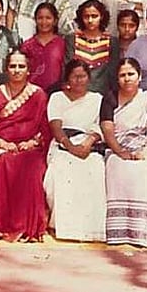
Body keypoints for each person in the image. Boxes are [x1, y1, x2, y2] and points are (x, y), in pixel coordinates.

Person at [100, 58, 147, 247]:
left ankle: (145, 232)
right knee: (117, 168)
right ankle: (120, 231)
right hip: (118, 147)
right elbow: (107, 130)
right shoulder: (110, 98)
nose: (127, 79)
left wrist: (146, 151)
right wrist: (119, 151)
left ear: (140, 77)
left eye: (131, 74)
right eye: (122, 75)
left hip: (146, 146)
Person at [0, 50, 51, 241]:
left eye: (21, 66)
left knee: (31, 170)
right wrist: (1, 143)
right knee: (2, 164)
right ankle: (1, 226)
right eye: (13, 66)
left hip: (31, 148)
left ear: (29, 70)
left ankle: (27, 227)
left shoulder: (38, 95)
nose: (17, 70)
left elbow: (44, 128)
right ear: (6, 69)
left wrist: (31, 142)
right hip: (3, 146)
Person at [43, 60, 107, 242]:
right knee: (61, 170)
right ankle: (62, 226)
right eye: (74, 76)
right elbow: (56, 126)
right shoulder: (57, 97)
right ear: (68, 78)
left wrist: (88, 143)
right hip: (63, 144)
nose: (79, 80)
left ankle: (92, 230)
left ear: (89, 78)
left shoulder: (97, 99)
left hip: (88, 145)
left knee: (95, 169)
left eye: (83, 76)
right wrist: (70, 147)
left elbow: (100, 125)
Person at [64, 0, 118, 94]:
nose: (90, 20)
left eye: (94, 16)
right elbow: (68, 68)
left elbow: (113, 73)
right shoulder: (72, 39)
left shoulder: (112, 41)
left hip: (103, 95)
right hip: (76, 93)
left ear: (101, 16)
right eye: (86, 16)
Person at [20, 3, 67, 93]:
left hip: (56, 93)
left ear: (55, 21)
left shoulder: (62, 43)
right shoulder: (27, 45)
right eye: (40, 18)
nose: (44, 22)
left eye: (48, 18)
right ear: (35, 20)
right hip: (32, 93)